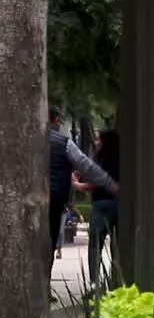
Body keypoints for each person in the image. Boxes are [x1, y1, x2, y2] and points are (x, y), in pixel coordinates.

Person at [48, 108, 117, 273]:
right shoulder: (63, 142)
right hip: (54, 200)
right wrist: (112, 186)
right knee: (49, 242)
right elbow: (87, 167)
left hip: (35, 201)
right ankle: (44, 285)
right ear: (56, 121)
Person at [74, 129, 121, 284]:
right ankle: (117, 279)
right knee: (117, 246)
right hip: (119, 204)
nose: (96, 142)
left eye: (99, 140)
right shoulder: (122, 159)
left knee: (95, 245)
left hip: (101, 205)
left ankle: (95, 282)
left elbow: (95, 184)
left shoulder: (102, 160)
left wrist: (77, 185)